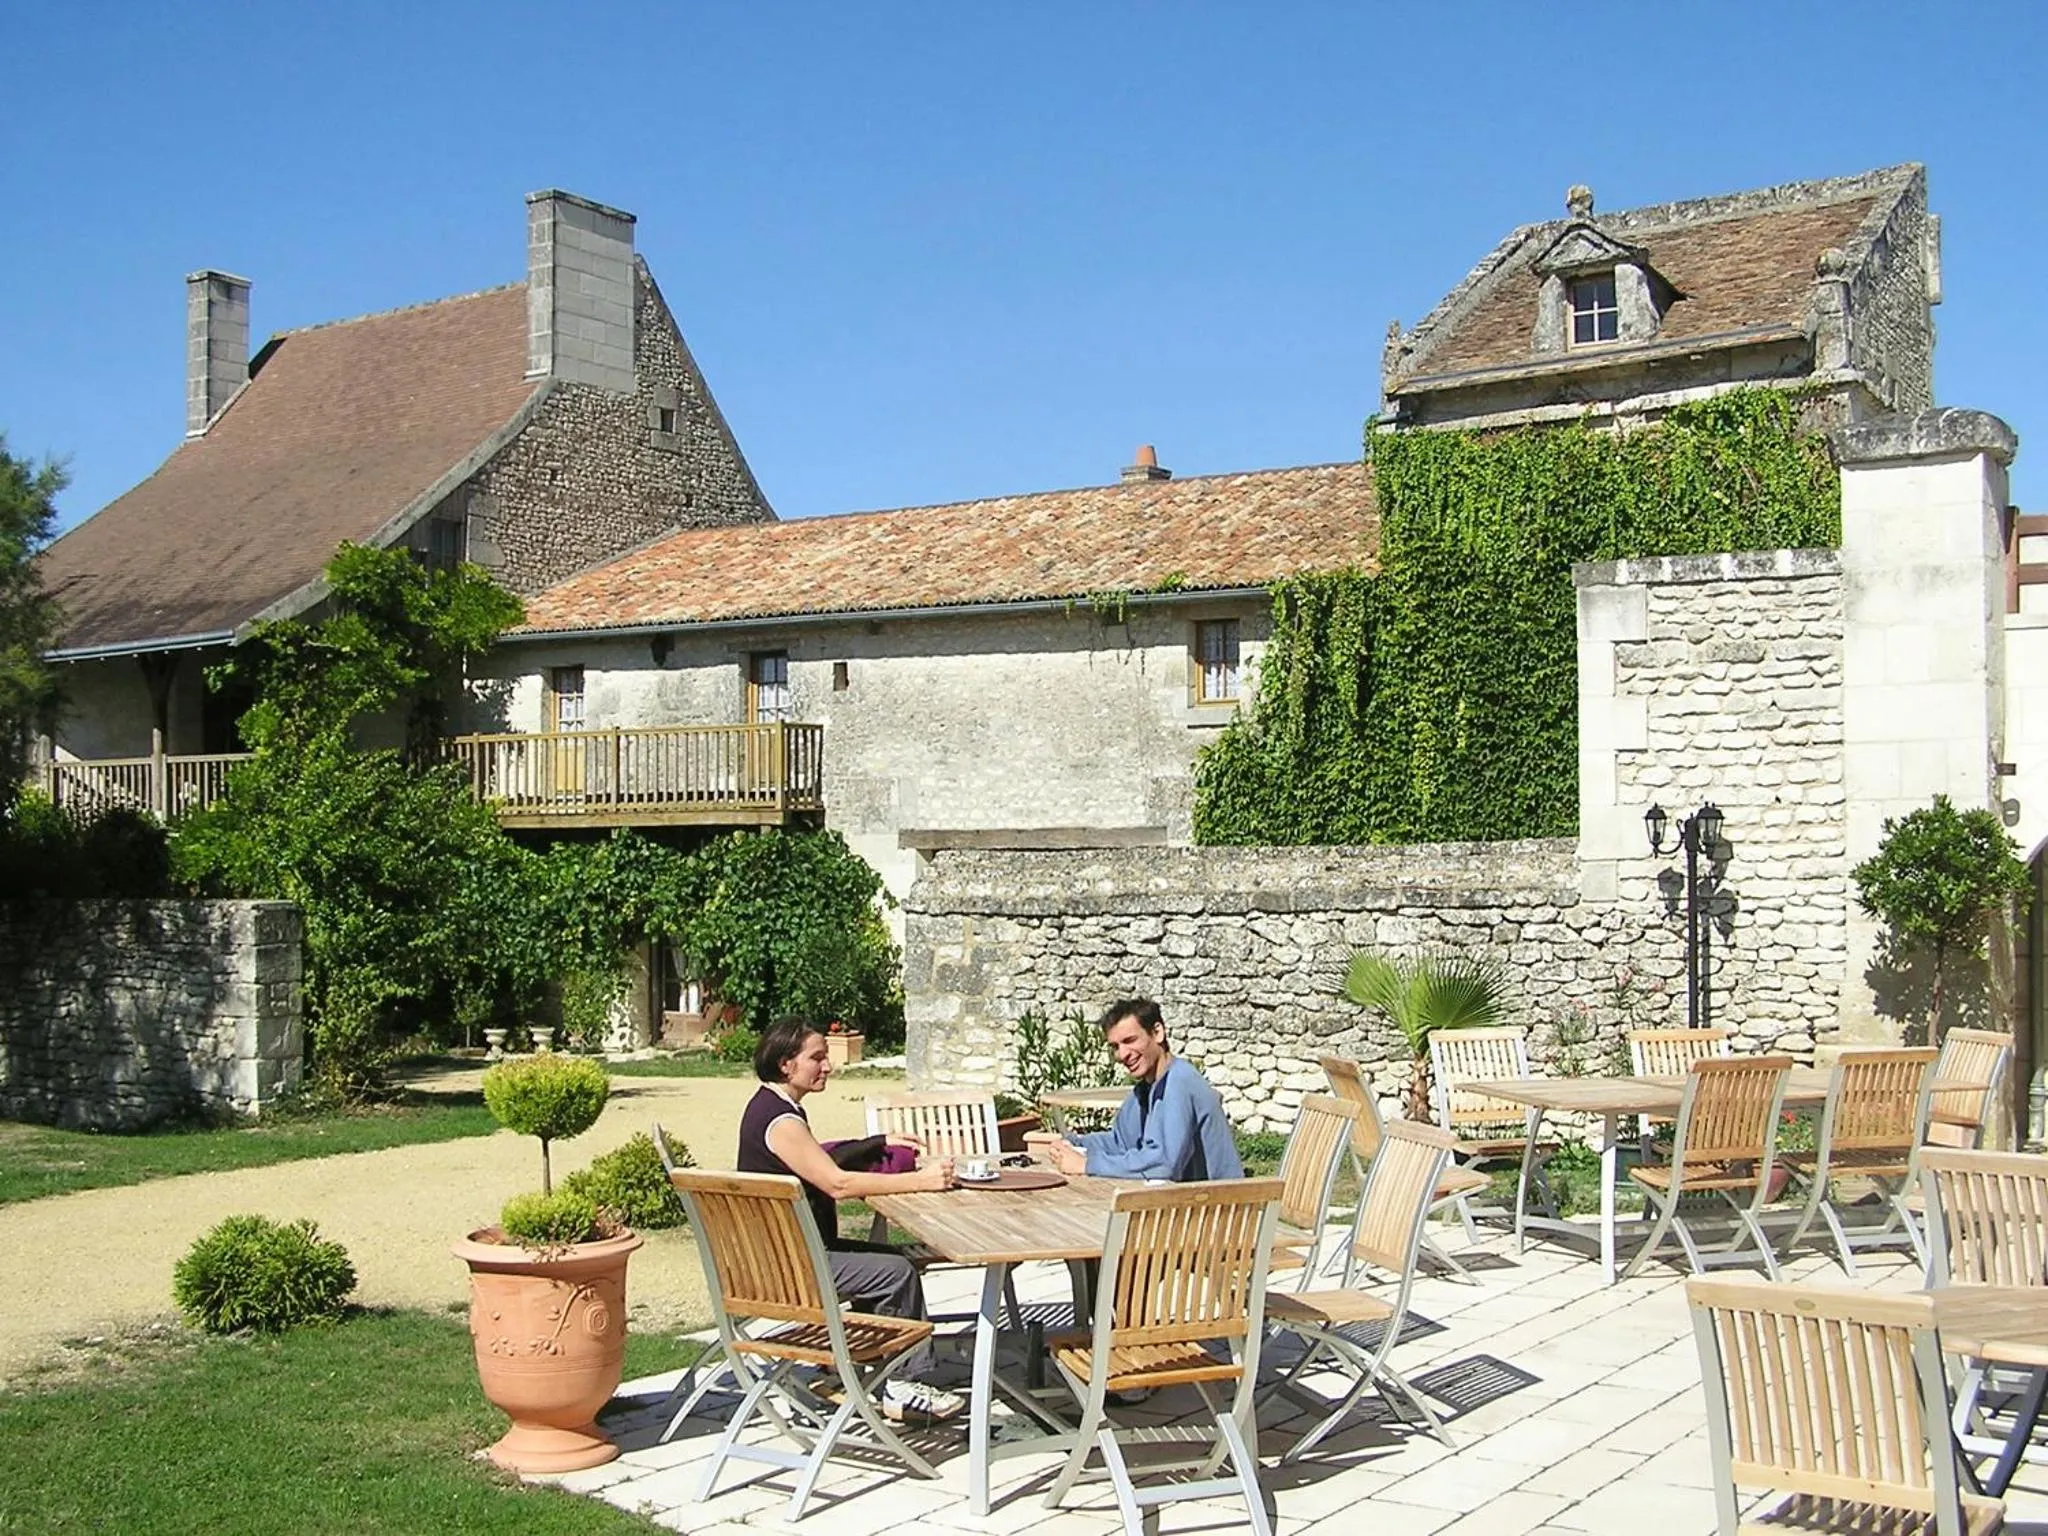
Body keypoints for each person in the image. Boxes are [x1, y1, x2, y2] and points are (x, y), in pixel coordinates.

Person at [737, 1016, 966, 1424]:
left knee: (887, 1261)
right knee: (895, 1272)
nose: (828, 1066)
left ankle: (868, 1371)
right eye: (817, 1058)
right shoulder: (782, 1122)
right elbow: (838, 1184)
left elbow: (821, 1157)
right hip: (797, 1266)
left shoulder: (768, 1107)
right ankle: (905, 1385)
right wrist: (922, 1181)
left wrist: (875, 1145)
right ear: (787, 1064)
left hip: (781, 1256)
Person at [1046, 999, 1244, 1181]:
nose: (1122, 1054)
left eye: (1130, 1040)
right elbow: (1120, 1143)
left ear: (1157, 1032)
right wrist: (1073, 1144)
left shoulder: (1179, 1082)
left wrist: (1087, 1164)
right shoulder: (1144, 1091)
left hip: (1216, 1212)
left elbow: (1163, 1164)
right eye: (1115, 1046)